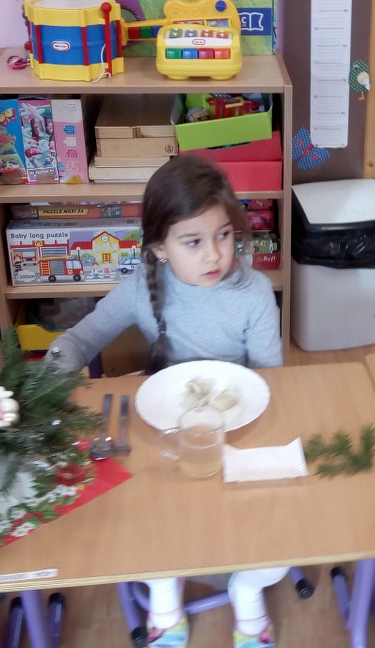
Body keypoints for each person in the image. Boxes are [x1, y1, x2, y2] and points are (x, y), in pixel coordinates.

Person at [46, 155, 283, 648]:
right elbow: (78, 341)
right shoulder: (140, 288)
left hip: (238, 433)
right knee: (124, 519)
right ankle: (164, 595)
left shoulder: (255, 292)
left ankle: (245, 591)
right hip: (162, 436)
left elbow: (271, 380)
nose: (214, 255)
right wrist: (49, 380)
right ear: (159, 247)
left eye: (223, 235)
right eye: (193, 242)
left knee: (287, 540)